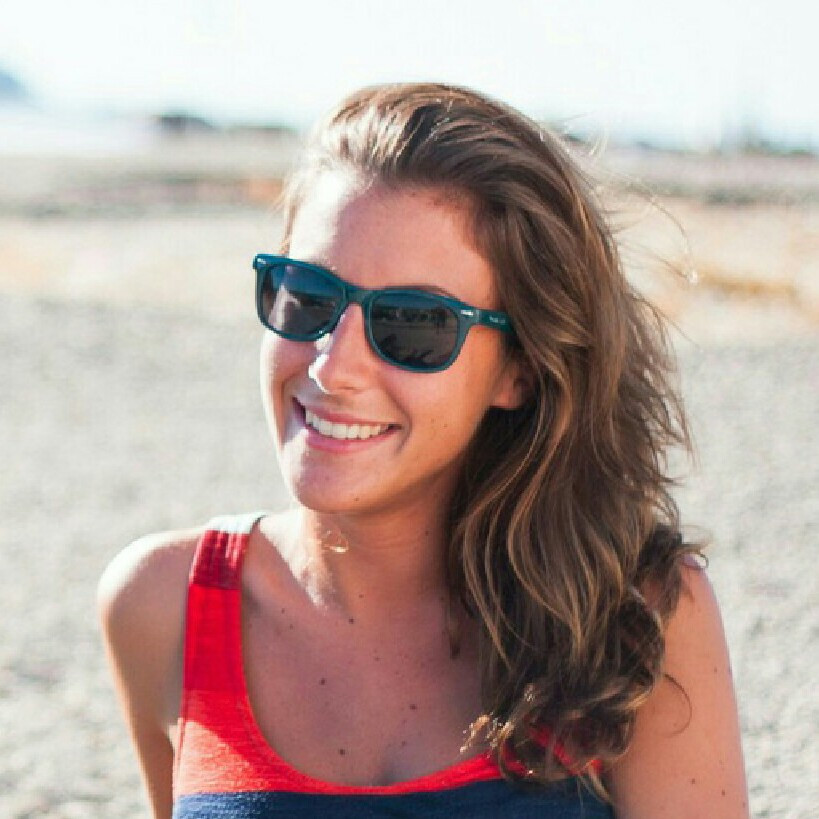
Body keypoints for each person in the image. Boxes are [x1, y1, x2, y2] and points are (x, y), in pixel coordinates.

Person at [98, 83, 749, 818]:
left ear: (519, 369)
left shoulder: (632, 616)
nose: (332, 367)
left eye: (412, 324)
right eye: (307, 295)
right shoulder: (164, 606)